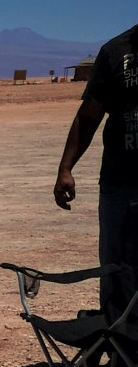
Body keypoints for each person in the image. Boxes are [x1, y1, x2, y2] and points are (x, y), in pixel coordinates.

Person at [54, 23, 138, 324]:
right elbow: (90, 114)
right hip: (122, 181)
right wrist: (66, 168)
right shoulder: (116, 51)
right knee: (118, 268)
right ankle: (121, 339)